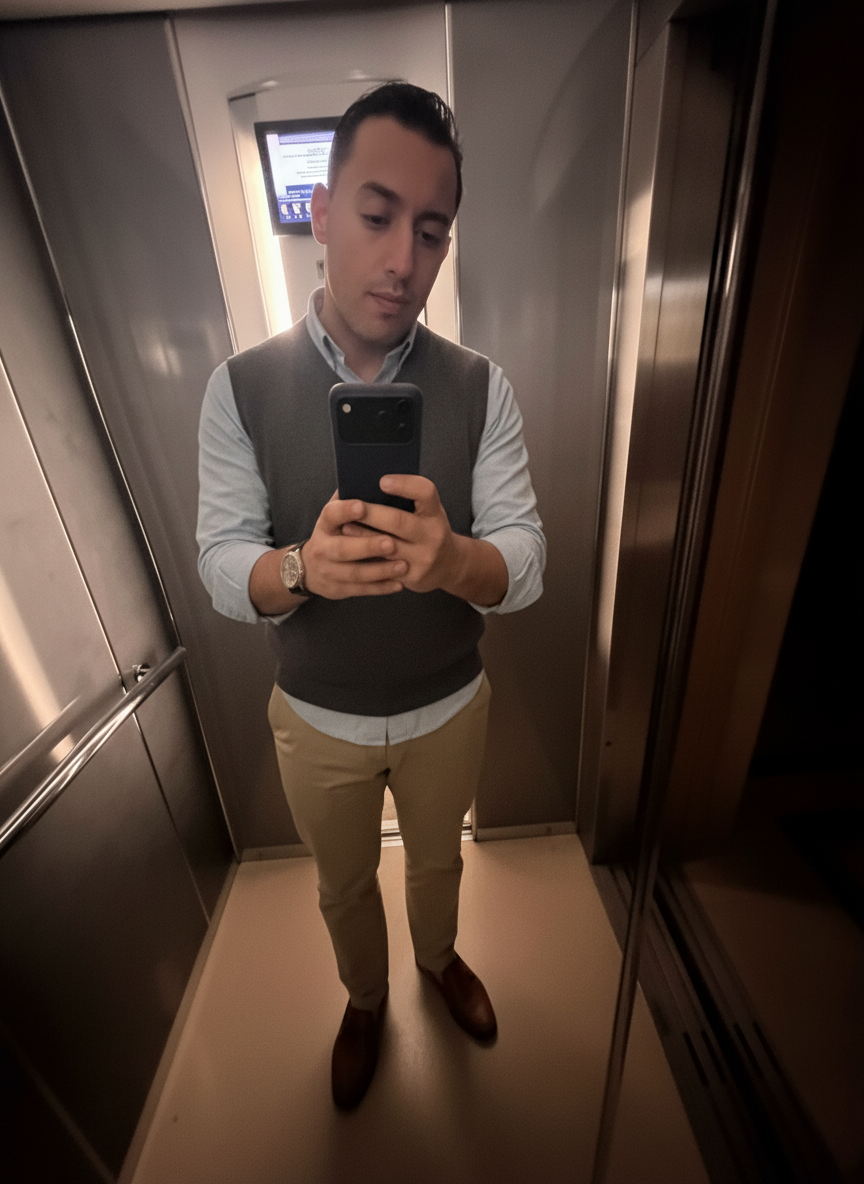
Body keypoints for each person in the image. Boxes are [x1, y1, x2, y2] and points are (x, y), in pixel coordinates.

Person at [197, 82, 545, 1110]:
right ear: (319, 213)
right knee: (342, 884)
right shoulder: (239, 388)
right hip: (315, 717)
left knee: (440, 864)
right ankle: (365, 997)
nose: (403, 259)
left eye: (430, 232)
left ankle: (437, 959)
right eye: (377, 215)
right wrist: (300, 568)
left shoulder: (481, 385)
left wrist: (455, 562)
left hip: (450, 705)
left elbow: (526, 557)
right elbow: (220, 562)